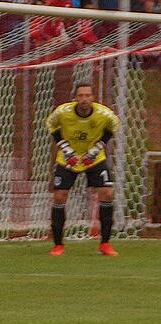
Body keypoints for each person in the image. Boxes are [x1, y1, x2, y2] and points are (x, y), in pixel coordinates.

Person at [46, 82, 120, 256]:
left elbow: (113, 127)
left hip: (93, 159)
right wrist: (66, 149)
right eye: (81, 96)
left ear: (93, 98)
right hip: (68, 159)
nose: (84, 99)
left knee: (107, 193)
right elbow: (51, 125)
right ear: (75, 98)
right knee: (59, 196)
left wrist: (96, 149)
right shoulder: (63, 112)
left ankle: (105, 243)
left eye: (88, 95)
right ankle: (58, 245)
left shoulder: (104, 114)